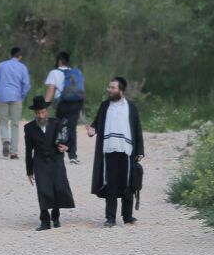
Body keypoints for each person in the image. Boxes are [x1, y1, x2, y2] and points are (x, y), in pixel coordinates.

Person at [85, 76, 144, 227]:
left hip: (127, 150)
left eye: (112, 88)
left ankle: (128, 216)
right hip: (109, 150)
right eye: (109, 87)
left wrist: (140, 150)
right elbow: (97, 123)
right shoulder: (105, 106)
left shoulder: (131, 107)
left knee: (128, 183)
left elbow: (137, 129)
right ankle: (110, 217)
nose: (109, 90)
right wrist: (92, 130)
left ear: (121, 90)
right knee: (111, 184)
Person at [24, 97, 75, 230]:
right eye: (38, 113)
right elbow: (28, 150)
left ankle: (56, 216)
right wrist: (29, 171)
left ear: (46, 111)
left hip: (56, 160)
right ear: (35, 112)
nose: (41, 115)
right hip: (40, 162)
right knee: (43, 189)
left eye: (43, 112)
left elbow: (68, 139)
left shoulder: (57, 123)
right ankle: (45, 221)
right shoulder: (29, 128)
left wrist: (67, 147)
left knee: (58, 187)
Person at [43, 51, 86, 164]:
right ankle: (73, 156)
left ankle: (57, 152)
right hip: (76, 103)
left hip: (63, 103)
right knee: (72, 129)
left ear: (59, 61)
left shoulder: (54, 72)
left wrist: (44, 106)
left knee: (60, 126)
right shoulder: (75, 73)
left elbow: (51, 89)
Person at [0, 46, 30, 159]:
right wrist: (22, 95)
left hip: (3, 96)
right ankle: (13, 153)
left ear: (10, 55)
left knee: (3, 122)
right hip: (17, 96)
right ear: (20, 56)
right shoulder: (22, 67)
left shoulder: (1, 65)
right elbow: (26, 84)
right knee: (15, 124)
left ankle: (5, 140)